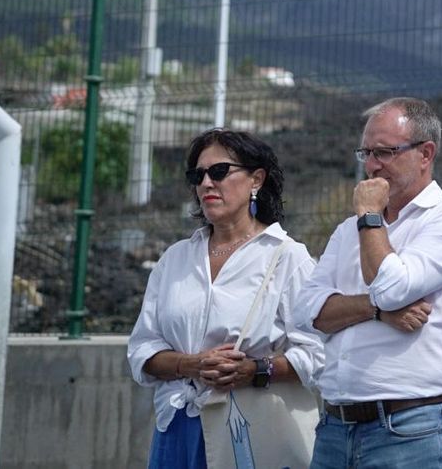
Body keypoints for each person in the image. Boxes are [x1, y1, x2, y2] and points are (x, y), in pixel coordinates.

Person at [294, 97, 442, 469]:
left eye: (384, 152)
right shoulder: (346, 231)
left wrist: (369, 215)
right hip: (335, 427)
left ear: (425, 154)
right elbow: (305, 313)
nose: (371, 165)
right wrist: (377, 312)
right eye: (366, 153)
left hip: (408, 431)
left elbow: (391, 289)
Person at [127, 129, 322, 468]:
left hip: (251, 428)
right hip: (176, 428)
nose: (206, 183)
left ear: (256, 179)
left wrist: (256, 370)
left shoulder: (288, 258)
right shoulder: (175, 258)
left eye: (219, 172)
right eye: (197, 175)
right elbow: (142, 349)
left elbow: (318, 354)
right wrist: (191, 364)